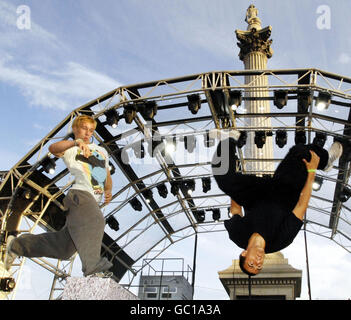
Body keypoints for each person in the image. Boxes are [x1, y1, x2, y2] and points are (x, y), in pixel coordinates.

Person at [210, 129, 343, 276]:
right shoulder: (280, 241)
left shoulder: (238, 236)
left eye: (252, 263)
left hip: (257, 195)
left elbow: (235, 210)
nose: (258, 262)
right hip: (285, 192)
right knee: (299, 152)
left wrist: (235, 185)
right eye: (259, 267)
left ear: (244, 253)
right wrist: (312, 172)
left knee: (224, 180)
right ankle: (326, 160)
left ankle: (229, 139)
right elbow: (301, 207)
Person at [4, 115, 113, 277]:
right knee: (96, 220)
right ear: (75, 129)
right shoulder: (71, 147)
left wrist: (108, 190)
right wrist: (76, 143)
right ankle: (93, 269)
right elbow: (53, 148)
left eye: (91, 130)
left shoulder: (102, 151)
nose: (87, 133)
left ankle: (17, 245)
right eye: (84, 128)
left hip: (91, 201)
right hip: (80, 195)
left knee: (63, 249)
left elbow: (106, 173)